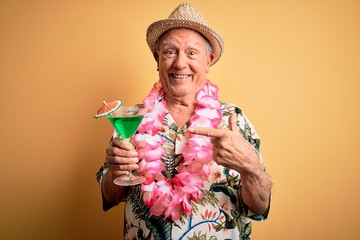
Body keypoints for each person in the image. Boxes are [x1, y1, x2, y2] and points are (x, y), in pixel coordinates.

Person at [96, 3, 272, 239]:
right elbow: (109, 196)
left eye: (192, 53)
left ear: (208, 60)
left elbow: (260, 207)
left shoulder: (234, 119)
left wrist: (250, 167)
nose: (180, 63)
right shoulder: (132, 119)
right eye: (170, 52)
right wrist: (116, 171)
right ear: (157, 58)